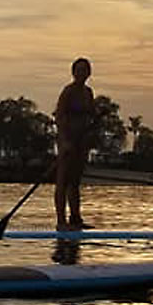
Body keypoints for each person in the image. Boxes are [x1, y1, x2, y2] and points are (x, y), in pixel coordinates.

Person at [54, 57, 96, 232]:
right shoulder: (68, 92)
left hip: (81, 141)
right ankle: (61, 221)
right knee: (63, 180)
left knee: (75, 181)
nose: (81, 73)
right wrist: (64, 142)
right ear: (73, 72)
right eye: (78, 70)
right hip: (67, 140)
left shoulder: (88, 92)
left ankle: (75, 218)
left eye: (85, 70)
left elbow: (91, 114)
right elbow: (59, 116)